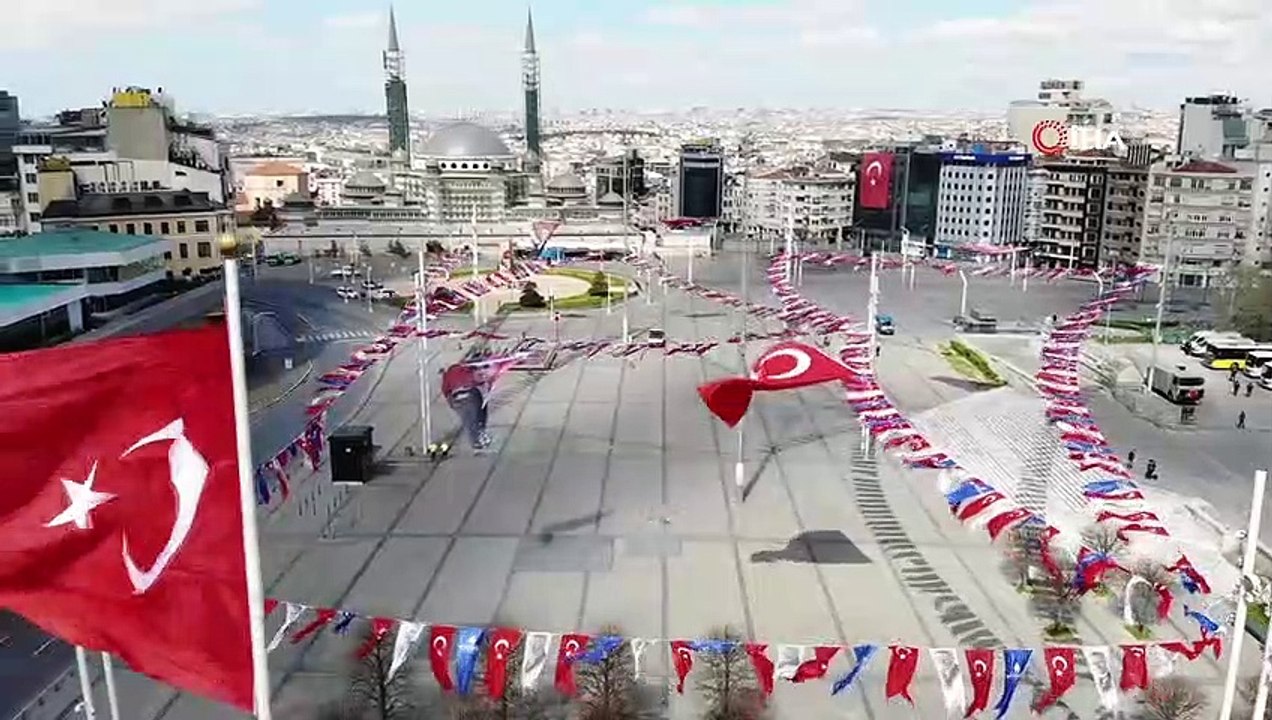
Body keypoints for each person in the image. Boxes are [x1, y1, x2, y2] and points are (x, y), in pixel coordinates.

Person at [441, 362, 491, 450]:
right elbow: (477, 381)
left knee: (469, 420)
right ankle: (479, 438)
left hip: (456, 398)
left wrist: (450, 401)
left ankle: (478, 439)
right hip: (468, 396)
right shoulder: (468, 372)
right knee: (477, 416)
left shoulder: (452, 371)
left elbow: (445, 389)